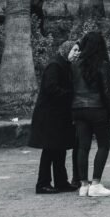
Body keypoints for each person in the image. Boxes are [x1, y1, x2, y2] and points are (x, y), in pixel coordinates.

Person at [71, 31, 110, 198]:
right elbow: (107, 92)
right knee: (103, 145)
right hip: (97, 109)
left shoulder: (75, 64)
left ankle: (83, 185)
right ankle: (96, 183)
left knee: (82, 147)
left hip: (78, 109)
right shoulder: (102, 64)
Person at [29, 40, 80, 194]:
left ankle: (61, 181)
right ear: (66, 50)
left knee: (60, 148)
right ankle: (43, 183)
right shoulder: (55, 65)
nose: (77, 53)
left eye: (78, 50)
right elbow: (51, 88)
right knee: (50, 150)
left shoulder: (64, 65)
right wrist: (71, 95)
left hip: (58, 115)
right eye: (75, 50)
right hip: (49, 115)